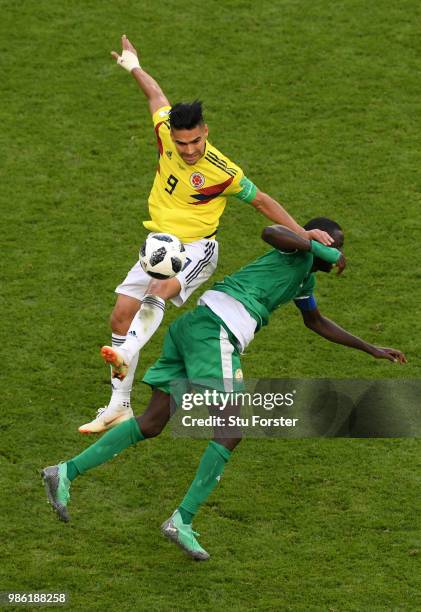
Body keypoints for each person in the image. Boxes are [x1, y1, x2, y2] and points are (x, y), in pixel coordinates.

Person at [43, 219, 406, 561]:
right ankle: (181, 520)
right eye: (334, 243)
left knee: (152, 422)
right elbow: (270, 230)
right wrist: (309, 238)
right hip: (216, 330)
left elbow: (316, 321)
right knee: (231, 429)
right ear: (316, 238)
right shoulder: (294, 250)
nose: (336, 251)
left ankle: (65, 471)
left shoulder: (303, 280)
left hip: (194, 327)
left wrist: (370, 348)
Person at [79, 34, 333, 434]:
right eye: (183, 143)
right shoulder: (166, 133)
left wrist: (304, 232)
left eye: (196, 140)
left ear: (206, 132)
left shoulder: (222, 171)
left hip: (197, 249)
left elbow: (263, 201)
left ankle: (128, 349)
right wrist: (131, 65)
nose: (190, 149)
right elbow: (155, 96)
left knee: (158, 293)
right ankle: (119, 405)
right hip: (159, 246)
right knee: (120, 314)